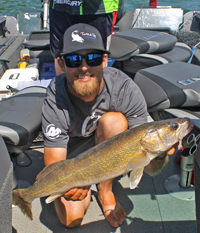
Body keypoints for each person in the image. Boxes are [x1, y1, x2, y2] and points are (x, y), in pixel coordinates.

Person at [42, 23, 176, 228]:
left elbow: (150, 166)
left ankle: (105, 190)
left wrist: (159, 156)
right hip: (73, 154)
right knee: (70, 219)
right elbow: (54, 162)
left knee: (114, 121)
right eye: (73, 59)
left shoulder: (125, 89)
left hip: (109, 146)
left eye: (93, 58)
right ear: (61, 63)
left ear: (104, 60)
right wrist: (66, 184)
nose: (84, 67)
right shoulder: (55, 93)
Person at [49, 0, 124, 75]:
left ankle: (95, 85)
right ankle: (62, 85)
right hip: (60, 5)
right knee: (61, 53)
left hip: (99, 9)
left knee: (97, 55)